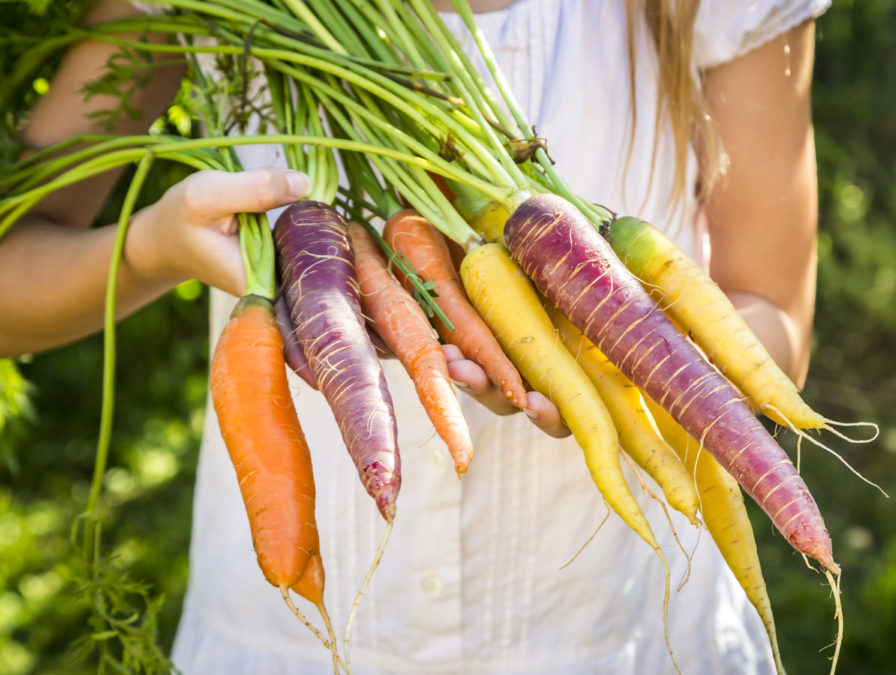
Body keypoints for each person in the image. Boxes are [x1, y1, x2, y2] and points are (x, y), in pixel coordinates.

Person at [1, 0, 827, 672]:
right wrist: (150, 250)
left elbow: (772, 320)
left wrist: (605, 362)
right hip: (279, 643)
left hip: (625, 636)